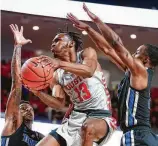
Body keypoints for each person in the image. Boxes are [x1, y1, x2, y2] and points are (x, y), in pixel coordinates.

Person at [67, 3, 158, 146]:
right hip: (142, 135)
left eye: (138, 52)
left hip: (137, 134)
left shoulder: (142, 71)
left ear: (146, 60)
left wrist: (97, 21)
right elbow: (108, 49)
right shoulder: (133, 72)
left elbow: (116, 43)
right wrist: (89, 29)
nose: (133, 54)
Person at [30, 27, 117, 146]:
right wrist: (38, 92)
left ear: (71, 43)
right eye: (52, 43)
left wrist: (60, 64)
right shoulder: (56, 75)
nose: (53, 45)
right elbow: (59, 104)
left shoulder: (87, 54)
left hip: (100, 116)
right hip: (76, 117)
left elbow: (89, 71)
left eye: (57, 40)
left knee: (88, 128)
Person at [1, 24, 44, 146]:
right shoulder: (13, 124)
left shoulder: (40, 138)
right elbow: (16, 85)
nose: (28, 109)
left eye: (29, 108)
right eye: (23, 108)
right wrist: (18, 46)